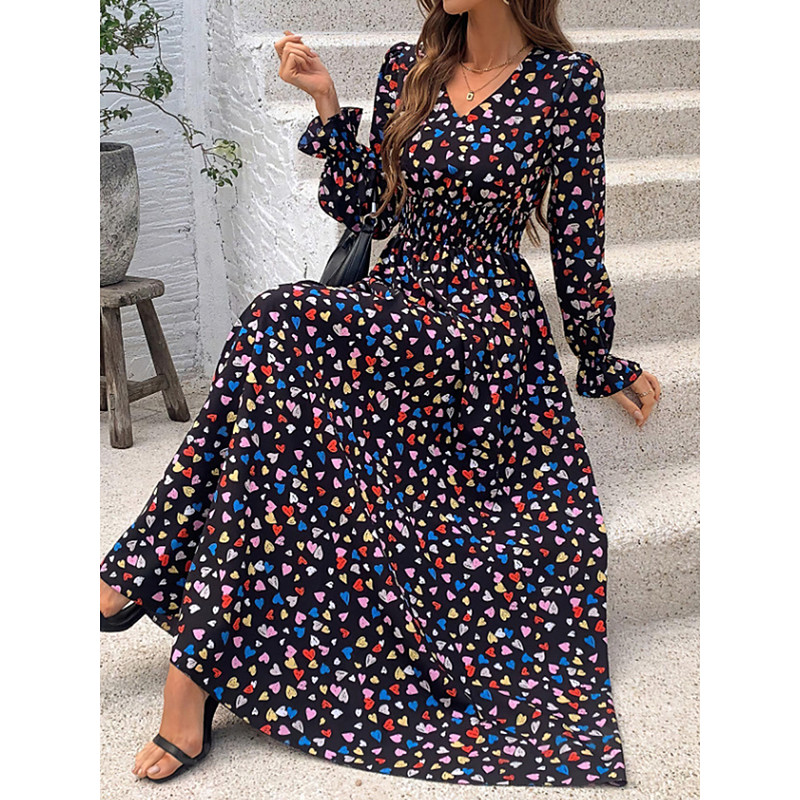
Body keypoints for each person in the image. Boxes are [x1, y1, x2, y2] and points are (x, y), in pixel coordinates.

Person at [100, 0, 661, 787]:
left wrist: (598, 356)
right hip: (399, 296)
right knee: (275, 352)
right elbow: (372, 210)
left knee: (281, 322)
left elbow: (577, 231)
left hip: (481, 323)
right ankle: (188, 656)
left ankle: (149, 591)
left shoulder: (566, 82)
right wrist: (328, 104)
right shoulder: (412, 65)